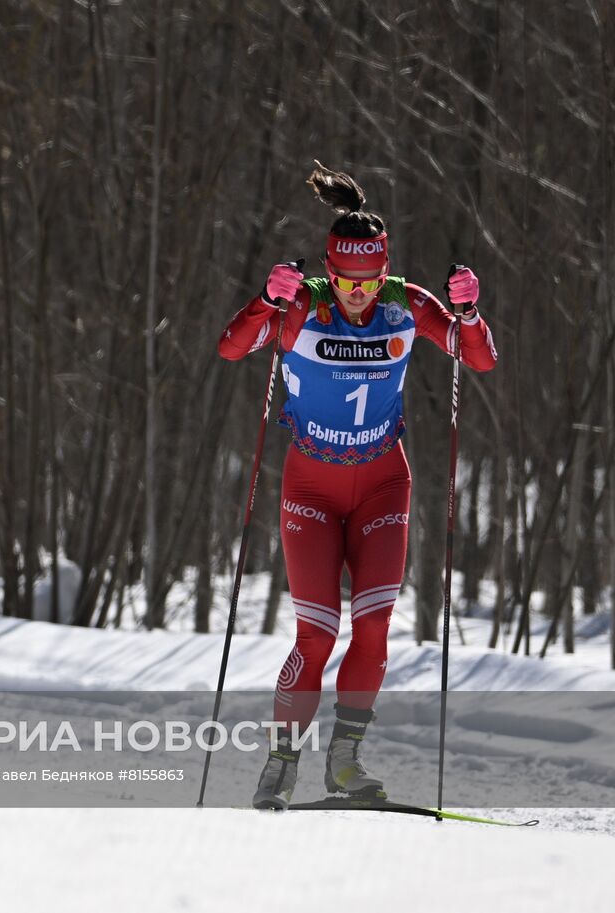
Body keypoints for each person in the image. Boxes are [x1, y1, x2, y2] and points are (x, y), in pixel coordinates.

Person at [217, 162, 497, 810]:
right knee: (317, 633)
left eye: (369, 282)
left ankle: (344, 762)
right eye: (345, 281)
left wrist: (469, 313)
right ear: (328, 269)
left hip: (382, 484)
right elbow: (232, 348)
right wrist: (265, 301)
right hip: (311, 487)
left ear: (385, 272)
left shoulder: (405, 304)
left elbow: (479, 357)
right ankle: (281, 761)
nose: (357, 294)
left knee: (373, 628)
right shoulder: (304, 305)